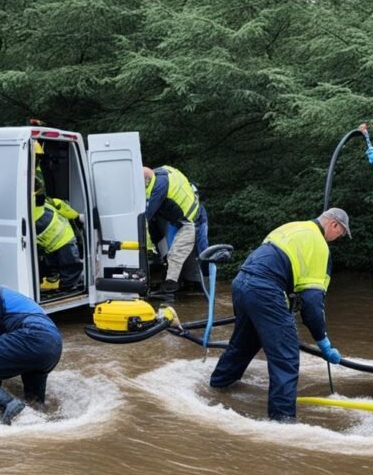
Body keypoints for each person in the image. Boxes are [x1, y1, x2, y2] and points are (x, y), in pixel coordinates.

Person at [209, 209, 351, 421]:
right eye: (340, 234)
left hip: (241, 282)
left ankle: (217, 387)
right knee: (286, 356)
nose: (337, 239)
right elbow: (312, 303)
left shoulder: (293, 226)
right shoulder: (319, 245)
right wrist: (322, 340)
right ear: (334, 225)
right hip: (265, 290)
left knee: (244, 343)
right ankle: (282, 422)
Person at [0, 274, 63, 424]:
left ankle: (8, 405)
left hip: (31, 336)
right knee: (34, 403)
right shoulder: (4, 291)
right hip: (53, 344)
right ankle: (39, 420)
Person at [143, 165, 209, 294]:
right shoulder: (162, 173)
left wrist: (150, 248)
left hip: (189, 221)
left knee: (177, 254)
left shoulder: (158, 188)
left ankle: (170, 285)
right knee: (184, 253)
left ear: (146, 179)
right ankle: (189, 282)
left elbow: (146, 216)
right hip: (188, 215)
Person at [33, 169, 83, 290]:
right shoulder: (50, 203)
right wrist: (78, 217)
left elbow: (70, 213)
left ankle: (65, 285)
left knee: (64, 266)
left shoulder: (41, 204)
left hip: (55, 243)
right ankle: (65, 285)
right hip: (58, 241)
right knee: (68, 265)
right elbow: (71, 213)